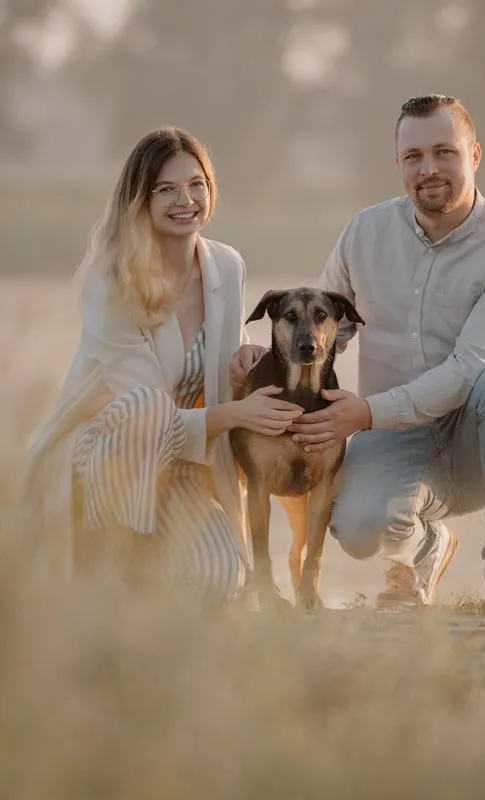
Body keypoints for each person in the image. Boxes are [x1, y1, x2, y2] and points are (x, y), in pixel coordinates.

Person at [231, 95, 485, 611]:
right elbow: (323, 331)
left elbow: (467, 368)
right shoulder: (365, 232)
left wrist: (363, 412)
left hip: (479, 437)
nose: (428, 170)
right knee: (357, 527)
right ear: (399, 164)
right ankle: (427, 547)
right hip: (396, 435)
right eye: (414, 156)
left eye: (444, 152)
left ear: (474, 155)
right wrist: (260, 357)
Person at [24, 126, 304, 602]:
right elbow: (147, 412)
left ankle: (149, 571)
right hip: (104, 456)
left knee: (218, 581)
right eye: (166, 189)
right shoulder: (110, 282)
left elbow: (217, 364)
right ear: (140, 199)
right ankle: (110, 563)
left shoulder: (226, 266)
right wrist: (238, 413)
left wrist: (242, 367)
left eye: (197, 185)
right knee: (147, 406)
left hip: (182, 464)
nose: (186, 199)